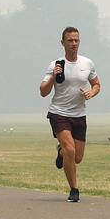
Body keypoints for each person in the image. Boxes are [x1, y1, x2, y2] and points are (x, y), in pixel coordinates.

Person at [38, 25, 100, 203]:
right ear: (62, 43)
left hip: (79, 115)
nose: (74, 43)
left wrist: (91, 92)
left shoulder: (87, 63)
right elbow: (43, 91)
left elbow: (96, 84)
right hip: (59, 113)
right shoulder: (55, 65)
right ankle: (74, 189)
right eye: (70, 40)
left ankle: (61, 152)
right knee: (70, 150)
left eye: (76, 40)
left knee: (77, 158)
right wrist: (52, 77)